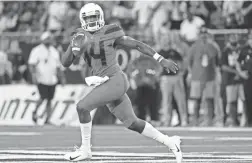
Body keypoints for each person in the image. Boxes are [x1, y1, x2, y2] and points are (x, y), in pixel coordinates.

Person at [61, 3, 182, 163]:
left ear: (101, 17)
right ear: (82, 20)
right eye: (88, 18)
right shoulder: (79, 34)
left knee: (82, 107)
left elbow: (137, 44)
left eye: (94, 17)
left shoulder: (110, 31)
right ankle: (170, 141)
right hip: (104, 84)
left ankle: (85, 149)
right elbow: (65, 63)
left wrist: (161, 59)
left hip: (114, 80)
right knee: (133, 123)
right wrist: (73, 46)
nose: (91, 21)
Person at [28, 31, 65, 125]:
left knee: (49, 99)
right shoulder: (36, 50)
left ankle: (47, 119)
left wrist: (62, 78)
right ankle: (35, 111)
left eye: (50, 38)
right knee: (43, 97)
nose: (49, 40)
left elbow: (58, 66)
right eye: (47, 38)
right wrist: (33, 75)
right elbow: (31, 64)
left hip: (52, 79)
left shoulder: (54, 51)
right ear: (43, 39)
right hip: (41, 78)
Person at [187, 27, 221, 126]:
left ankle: (210, 120)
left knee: (210, 99)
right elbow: (189, 62)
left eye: (205, 34)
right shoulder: (194, 47)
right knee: (196, 99)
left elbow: (217, 62)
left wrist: (217, 74)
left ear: (207, 35)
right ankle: (195, 120)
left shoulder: (213, 46)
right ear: (199, 35)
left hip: (210, 77)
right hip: (197, 77)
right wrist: (191, 74)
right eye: (201, 34)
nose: (203, 36)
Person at [158, 34, 188, 127]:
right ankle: (167, 120)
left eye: (167, 40)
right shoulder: (159, 53)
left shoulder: (174, 51)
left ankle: (184, 120)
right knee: (166, 100)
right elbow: (157, 66)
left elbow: (182, 62)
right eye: (164, 40)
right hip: (165, 78)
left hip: (176, 77)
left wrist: (181, 72)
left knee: (180, 100)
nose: (166, 42)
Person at [221, 34, 245, 127]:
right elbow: (223, 66)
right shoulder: (225, 51)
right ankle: (233, 120)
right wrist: (237, 72)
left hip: (242, 79)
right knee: (231, 101)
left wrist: (240, 73)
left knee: (245, 100)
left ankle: (245, 119)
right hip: (230, 79)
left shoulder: (242, 50)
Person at [238, 31, 252, 127]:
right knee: (248, 99)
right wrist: (240, 72)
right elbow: (238, 62)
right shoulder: (244, 50)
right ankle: (249, 121)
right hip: (248, 77)